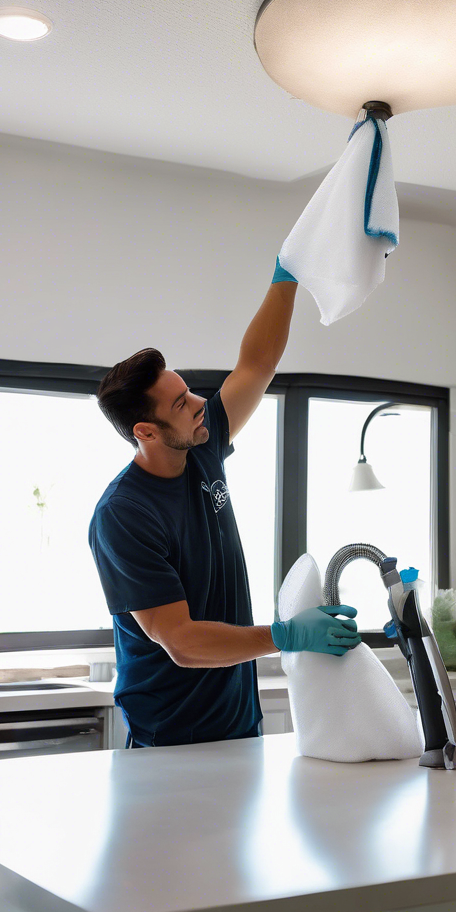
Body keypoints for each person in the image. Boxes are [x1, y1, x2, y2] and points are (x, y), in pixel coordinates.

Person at [89, 268, 361, 748]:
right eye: (180, 403)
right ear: (146, 432)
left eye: (189, 390)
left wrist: (288, 276)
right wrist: (285, 636)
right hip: (172, 738)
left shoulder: (200, 445)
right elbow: (182, 642)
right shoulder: (124, 514)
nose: (199, 403)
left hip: (239, 721)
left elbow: (256, 365)